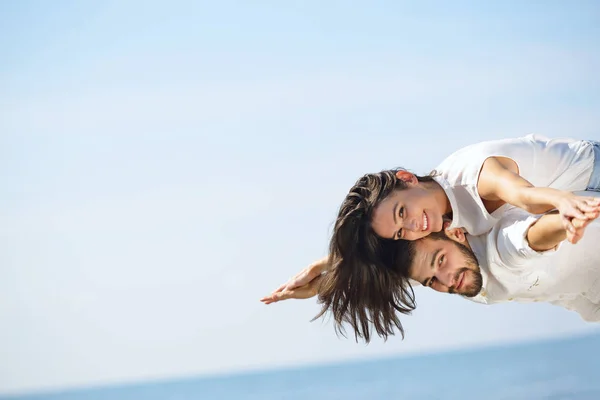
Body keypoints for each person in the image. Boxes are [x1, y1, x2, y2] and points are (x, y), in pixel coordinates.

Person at [261, 135, 600, 342]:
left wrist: (560, 201)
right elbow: (389, 260)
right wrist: (332, 270)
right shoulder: (441, 240)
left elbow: (523, 196)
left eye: (401, 213)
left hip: (586, 178)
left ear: (407, 178)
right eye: (400, 231)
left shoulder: (471, 176)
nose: (413, 228)